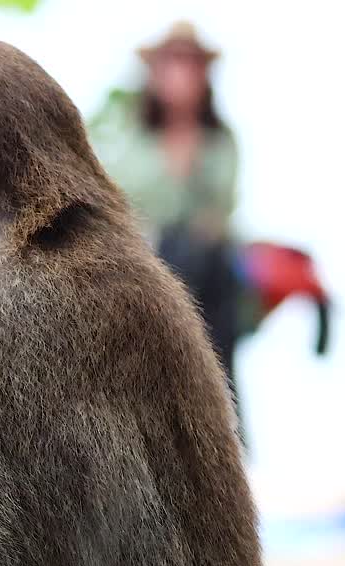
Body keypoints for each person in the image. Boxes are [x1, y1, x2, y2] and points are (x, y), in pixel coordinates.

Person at [87, 21, 241, 402]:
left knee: (206, 264)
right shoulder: (128, 136)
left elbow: (220, 210)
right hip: (146, 267)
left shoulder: (220, 142)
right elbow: (120, 200)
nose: (182, 73)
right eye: (172, 63)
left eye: (191, 64)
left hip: (207, 276)